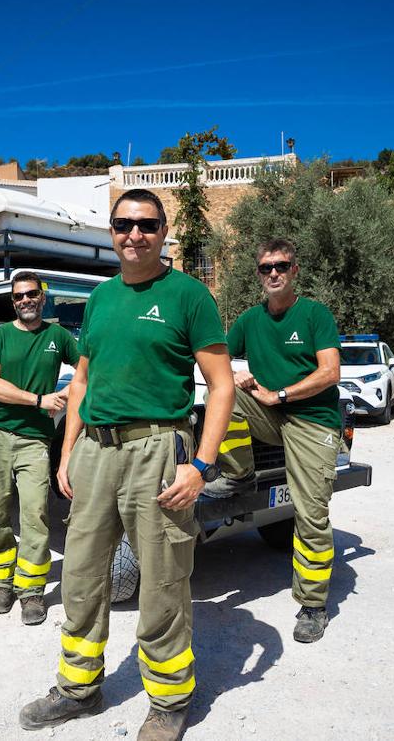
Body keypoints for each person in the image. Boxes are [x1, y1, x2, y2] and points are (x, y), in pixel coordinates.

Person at [19, 189, 234, 741]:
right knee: (83, 576)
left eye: (145, 225)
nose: (133, 234)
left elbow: (222, 385)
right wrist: (67, 452)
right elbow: (82, 380)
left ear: (164, 232)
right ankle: (78, 689)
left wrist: (201, 466)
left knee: (163, 581)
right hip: (94, 449)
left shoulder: (189, 295)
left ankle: (168, 700)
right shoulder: (99, 299)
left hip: (158, 451)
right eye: (122, 225)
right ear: (111, 232)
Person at [209, 238, 344, 644]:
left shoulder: (314, 314)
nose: (273, 273)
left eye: (281, 266)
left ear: (294, 271)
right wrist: (233, 378)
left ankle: (313, 604)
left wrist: (279, 394)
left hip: (311, 420)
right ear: (258, 274)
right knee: (223, 396)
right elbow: (216, 362)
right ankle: (239, 475)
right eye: (266, 267)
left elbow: (330, 372)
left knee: (310, 515)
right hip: (271, 416)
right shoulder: (250, 320)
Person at [0, 271, 79, 624]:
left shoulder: (58, 336)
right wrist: (40, 400)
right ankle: (1, 582)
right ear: (13, 301)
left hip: (35, 440)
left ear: (42, 297)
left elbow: (86, 369)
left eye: (31, 294)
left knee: (34, 512)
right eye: (19, 296)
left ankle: (32, 590)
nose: (25, 301)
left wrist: (72, 392)